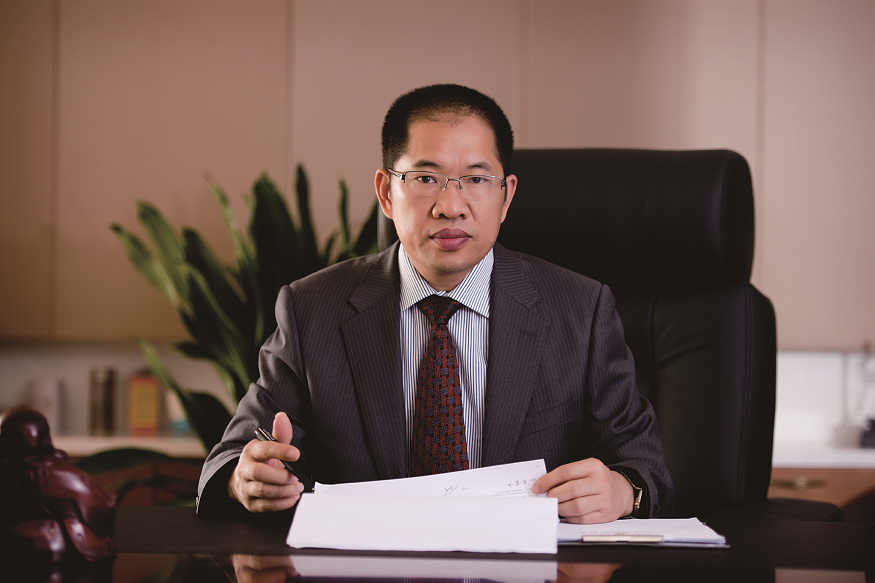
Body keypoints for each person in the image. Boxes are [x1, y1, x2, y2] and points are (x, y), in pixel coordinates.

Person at [197, 84, 674, 523]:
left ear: (506, 196)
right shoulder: (312, 310)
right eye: (426, 177)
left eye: (476, 179)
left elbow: (644, 465)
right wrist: (246, 478)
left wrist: (621, 490)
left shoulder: (580, 311)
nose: (451, 206)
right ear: (386, 193)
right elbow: (233, 456)